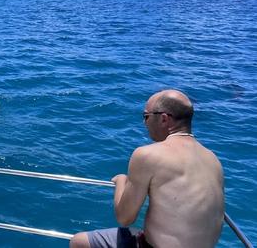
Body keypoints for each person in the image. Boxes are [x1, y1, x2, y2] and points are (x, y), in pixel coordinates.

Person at [70, 89, 224, 248]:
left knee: (78, 241)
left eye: (146, 117)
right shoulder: (213, 159)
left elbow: (125, 218)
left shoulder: (147, 155)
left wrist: (122, 181)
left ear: (164, 119)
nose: (144, 123)